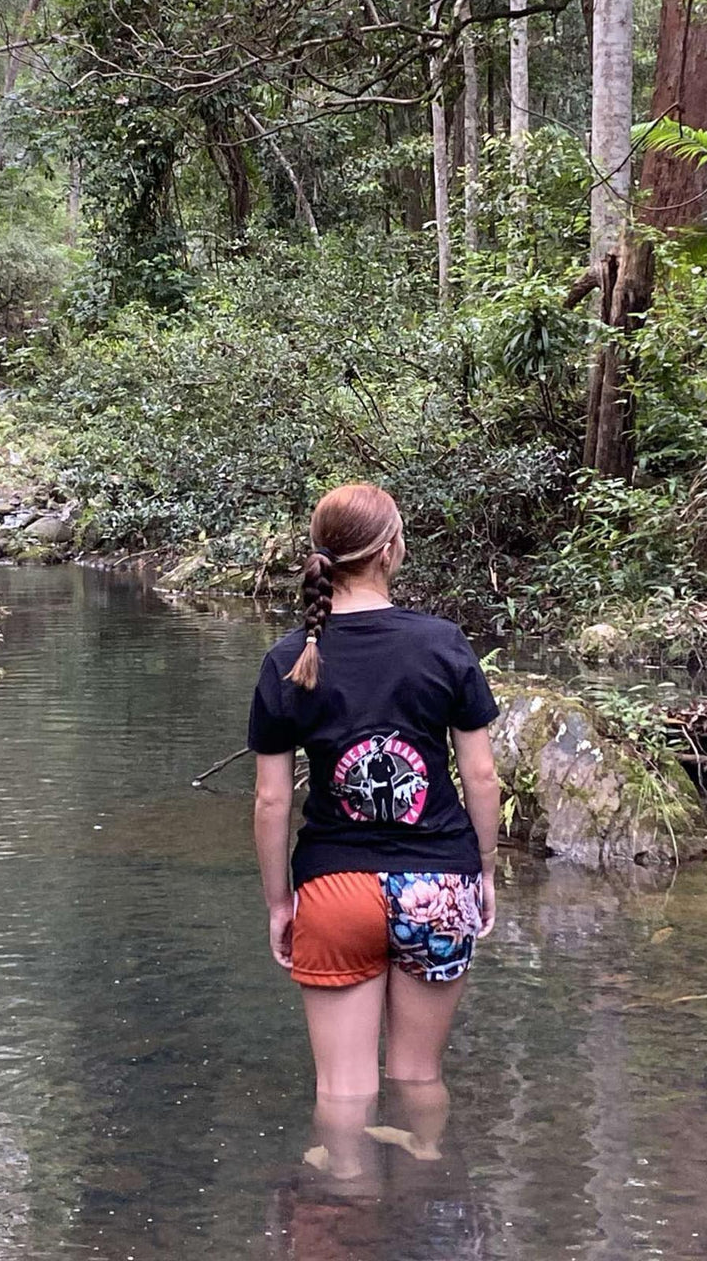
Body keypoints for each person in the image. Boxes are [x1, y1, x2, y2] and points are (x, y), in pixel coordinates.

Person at [248, 482, 501, 1173]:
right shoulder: (443, 644)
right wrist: (483, 869)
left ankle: (349, 1200)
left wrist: (279, 904)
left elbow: (271, 803)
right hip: (438, 883)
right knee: (417, 1073)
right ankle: (425, 1170)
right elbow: (480, 778)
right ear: (391, 550)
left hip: (335, 887)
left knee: (342, 1086)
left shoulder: (289, 658)